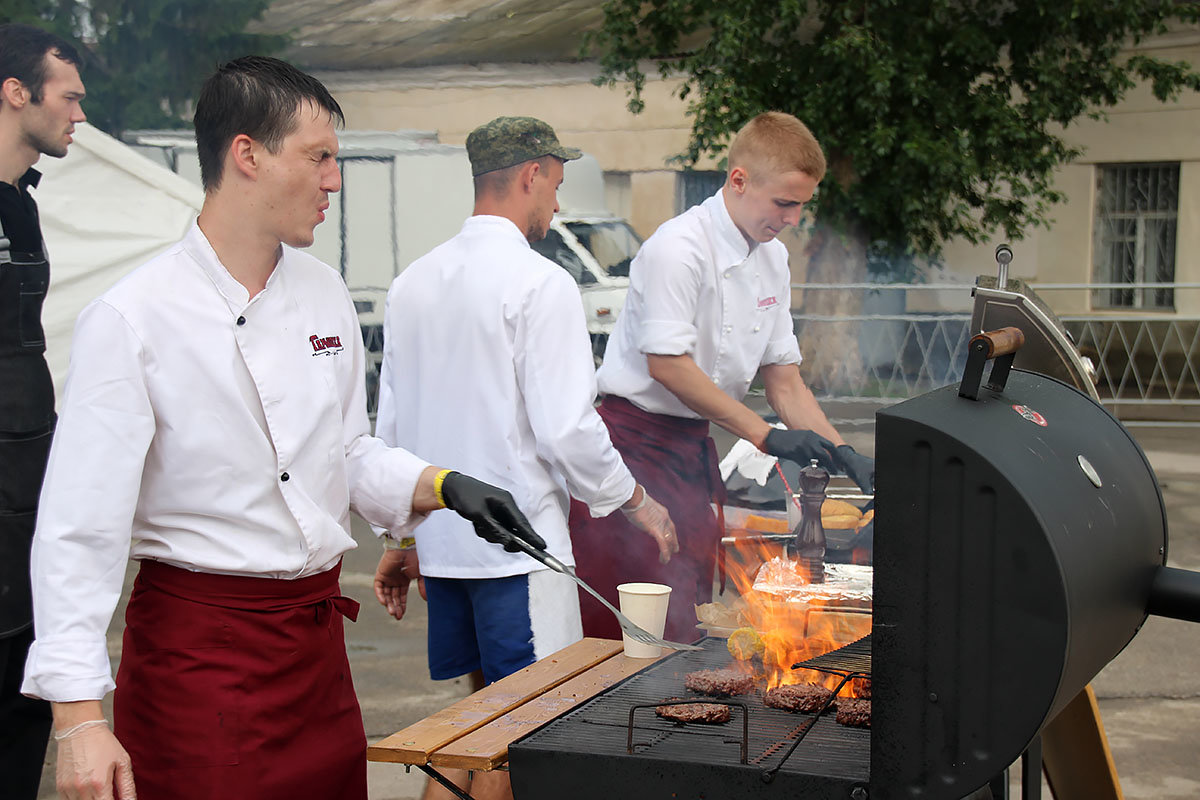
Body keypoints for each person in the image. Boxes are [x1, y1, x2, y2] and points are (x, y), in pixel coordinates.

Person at [21, 56, 548, 800]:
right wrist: (78, 721)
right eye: (319, 156)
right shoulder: (133, 317)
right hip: (199, 661)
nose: (335, 180)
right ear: (247, 155)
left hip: (315, 658)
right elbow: (80, 530)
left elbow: (344, 453)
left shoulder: (323, 292)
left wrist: (442, 485)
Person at [372, 116, 678, 800]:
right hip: (519, 553)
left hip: (447, 549)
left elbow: (388, 428)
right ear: (531, 174)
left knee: (473, 726)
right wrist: (636, 500)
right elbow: (568, 430)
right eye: (557, 186)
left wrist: (400, 536)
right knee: (522, 736)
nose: (558, 206)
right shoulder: (541, 285)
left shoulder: (412, 283)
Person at [569, 111, 875, 642]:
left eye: (802, 205)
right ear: (738, 180)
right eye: (784, 203)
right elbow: (668, 365)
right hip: (631, 448)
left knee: (688, 610)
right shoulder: (678, 248)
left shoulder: (773, 259)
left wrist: (840, 449)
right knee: (631, 623)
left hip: (690, 450)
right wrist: (765, 436)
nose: (793, 219)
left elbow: (784, 380)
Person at [0, 23, 86, 800]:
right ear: (14, 92)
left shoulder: (23, 208)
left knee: (24, 733)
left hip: (27, 510)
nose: (80, 116)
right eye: (69, 97)